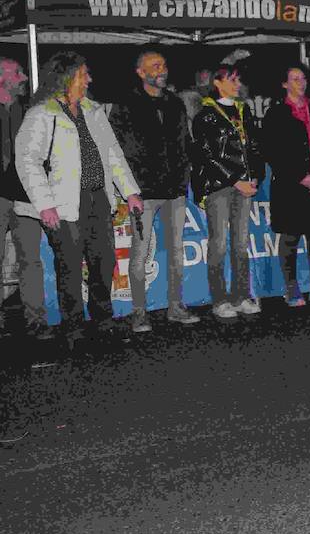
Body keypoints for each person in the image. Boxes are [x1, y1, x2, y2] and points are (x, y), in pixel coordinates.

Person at [17, 52, 142, 338]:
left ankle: (103, 318)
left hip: (98, 197)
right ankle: (73, 325)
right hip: (64, 202)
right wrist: (45, 205)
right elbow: (28, 160)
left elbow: (113, 154)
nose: (89, 79)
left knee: (103, 261)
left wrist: (131, 191)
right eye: (84, 74)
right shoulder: (42, 113)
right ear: (67, 77)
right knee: (70, 266)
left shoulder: (94, 111)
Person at [109, 49, 199, 333]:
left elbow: (185, 141)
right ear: (140, 72)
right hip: (143, 192)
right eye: (155, 65)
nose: (162, 70)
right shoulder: (125, 104)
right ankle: (139, 312)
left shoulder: (175, 102)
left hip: (174, 190)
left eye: (164, 65)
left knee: (176, 250)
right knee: (140, 251)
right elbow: (117, 149)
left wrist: (183, 177)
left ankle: (176, 306)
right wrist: (130, 188)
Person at [190, 64, 264, 320]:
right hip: (219, 188)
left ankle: (241, 295)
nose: (237, 84)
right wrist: (235, 180)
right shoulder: (205, 116)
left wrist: (256, 177)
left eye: (238, 80)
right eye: (231, 80)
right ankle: (219, 299)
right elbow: (206, 156)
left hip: (245, 186)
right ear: (218, 83)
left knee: (241, 244)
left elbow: (255, 147)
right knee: (219, 244)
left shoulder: (245, 112)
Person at [262, 65, 310, 308]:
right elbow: (274, 153)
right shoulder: (276, 114)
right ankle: (291, 288)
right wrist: (301, 178)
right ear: (284, 84)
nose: (301, 83)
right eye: (295, 79)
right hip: (290, 187)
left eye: (303, 78)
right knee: (291, 237)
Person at [0, 57, 46, 339]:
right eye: (17, 73)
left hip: (25, 194)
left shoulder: (28, 111)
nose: (25, 78)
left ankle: (36, 319)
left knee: (31, 258)